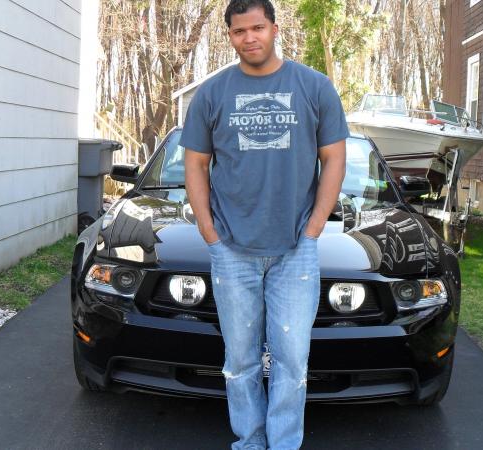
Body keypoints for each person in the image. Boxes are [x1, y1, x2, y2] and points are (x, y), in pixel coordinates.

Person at [180, 0, 348, 448]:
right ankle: (251, 441)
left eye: (257, 27)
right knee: (240, 362)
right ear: (230, 36)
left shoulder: (314, 87)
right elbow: (195, 165)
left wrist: (313, 229)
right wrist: (210, 233)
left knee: (292, 361)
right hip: (232, 249)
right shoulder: (212, 94)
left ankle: (284, 443)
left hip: (295, 250)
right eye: (239, 31)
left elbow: (334, 159)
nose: (249, 38)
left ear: (275, 28)